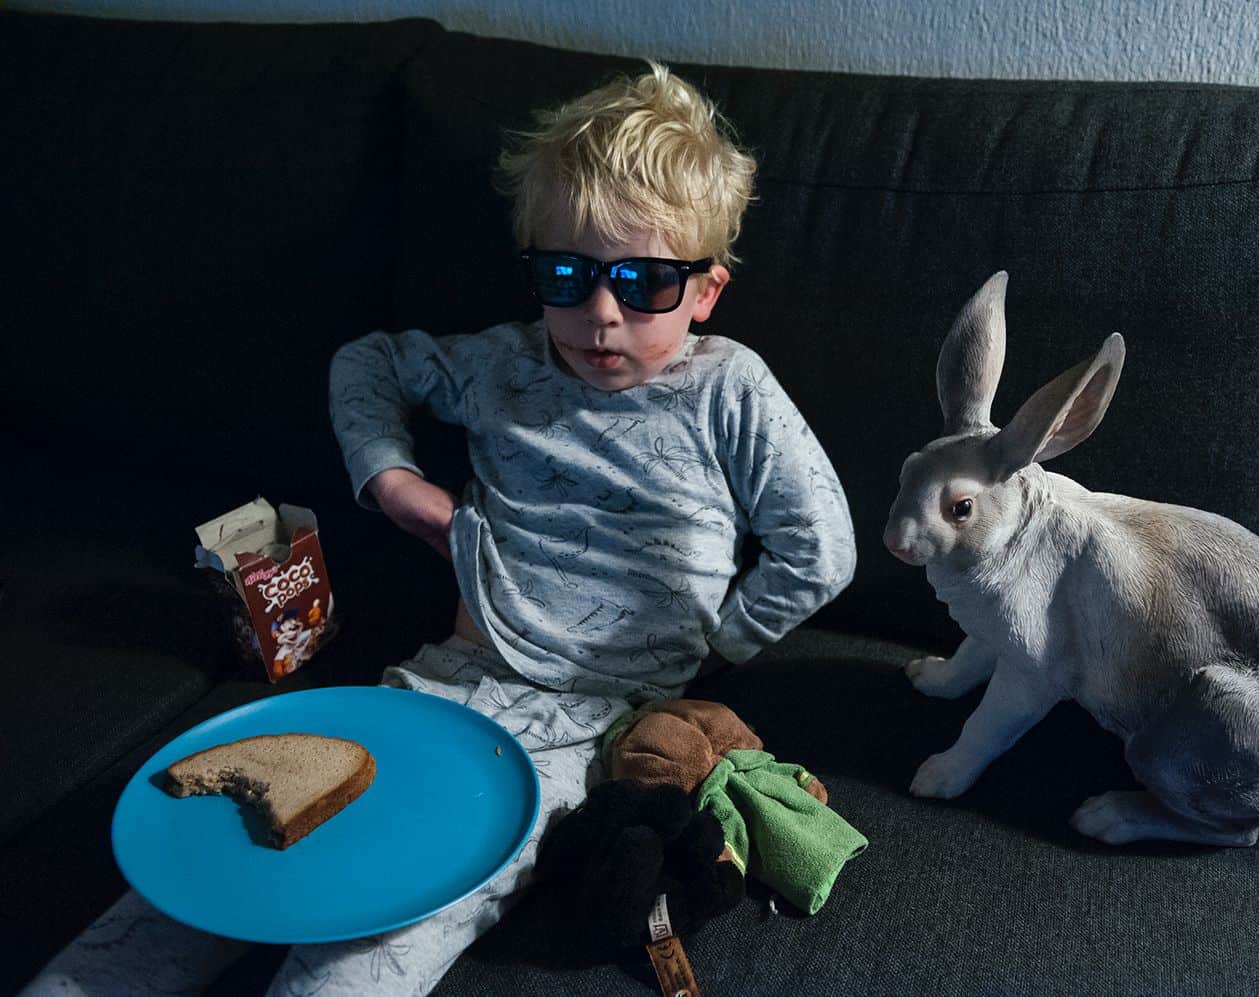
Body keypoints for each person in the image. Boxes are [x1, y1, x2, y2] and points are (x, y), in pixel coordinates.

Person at [22, 61, 855, 996]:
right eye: (567, 274)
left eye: (646, 281)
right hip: (442, 679)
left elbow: (820, 546)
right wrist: (391, 479)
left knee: (376, 937)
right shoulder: (500, 364)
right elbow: (365, 364)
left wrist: (721, 642)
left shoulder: (728, 387)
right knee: (213, 865)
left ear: (706, 291)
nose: (601, 313)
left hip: (588, 726)